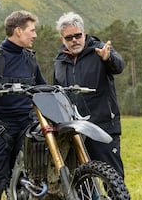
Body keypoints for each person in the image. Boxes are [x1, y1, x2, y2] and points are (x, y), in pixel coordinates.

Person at [0, 10, 46, 200]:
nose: (35, 35)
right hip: (1, 125)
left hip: (28, 123)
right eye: (31, 30)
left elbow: (43, 86)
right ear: (18, 31)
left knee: (33, 175)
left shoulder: (30, 59)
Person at [53, 12, 125, 178]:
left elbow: (119, 66)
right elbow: (57, 91)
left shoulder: (99, 49)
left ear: (84, 33)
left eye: (78, 35)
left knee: (112, 178)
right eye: (69, 37)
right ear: (62, 39)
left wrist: (108, 59)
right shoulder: (59, 60)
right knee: (78, 180)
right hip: (72, 130)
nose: (74, 40)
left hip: (102, 126)